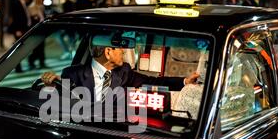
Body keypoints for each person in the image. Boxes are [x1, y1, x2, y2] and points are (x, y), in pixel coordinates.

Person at [41, 42, 199, 102]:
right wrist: (52, 86)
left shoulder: (124, 72)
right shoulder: (71, 74)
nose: (124, 51)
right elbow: (61, 101)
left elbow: (154, 82)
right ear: (108, 52)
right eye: (120, 48)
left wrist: (184, 81)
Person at [8, 0, 31, 73]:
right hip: (19, 30)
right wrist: (17, 30)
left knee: (21, 49)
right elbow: (15, 17)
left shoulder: (24, 3)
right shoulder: (16, 3)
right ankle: (17, 67)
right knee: (18, 49)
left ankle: (20, 66)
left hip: (24, 29)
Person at [28, 0, 46, 69]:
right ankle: (31, 61)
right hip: (36, 29)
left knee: (42, 46)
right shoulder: (32, 6)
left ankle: (42, 62)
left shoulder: (41, 6)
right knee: (36, 47)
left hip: (42, 29)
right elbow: (33, 18)